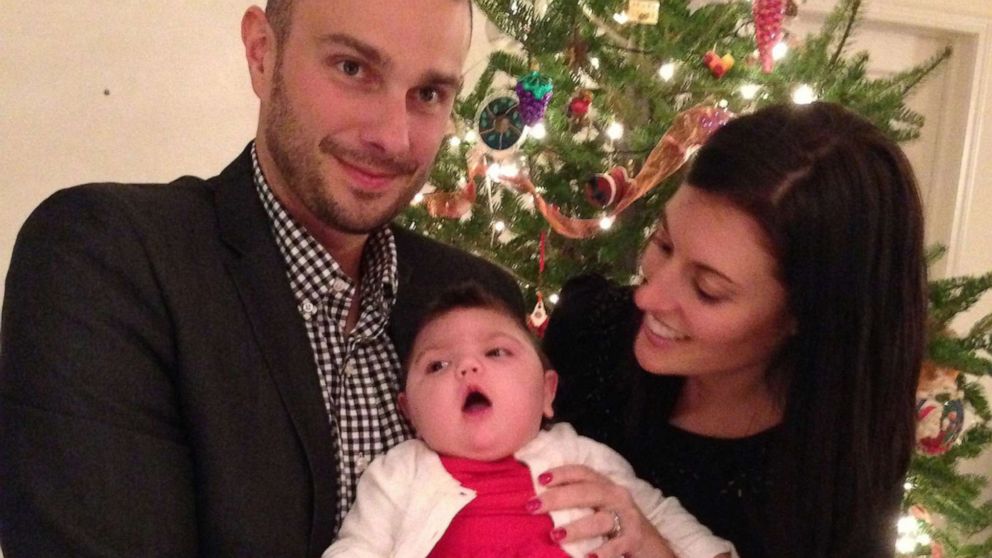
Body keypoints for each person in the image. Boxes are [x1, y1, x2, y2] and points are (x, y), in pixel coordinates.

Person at [0, 1, 522, 556]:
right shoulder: (108, 260)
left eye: (429, 95)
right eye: (353, 68)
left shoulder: (479, 306)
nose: (394, 139)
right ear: (262, 52)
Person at [541, 102, 927, 558]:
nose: (647, 297)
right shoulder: (589, 334)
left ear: (803, 316)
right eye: (663, 243)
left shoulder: (834, 468)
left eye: (708, 289)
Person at [324, 283, 736, 558]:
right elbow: (358, 548)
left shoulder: (579, 455)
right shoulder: (398, 473)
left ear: (547, 393)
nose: (467, 367)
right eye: (437, 365)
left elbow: (652, 513)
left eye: (496, 353)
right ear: (409, 412)